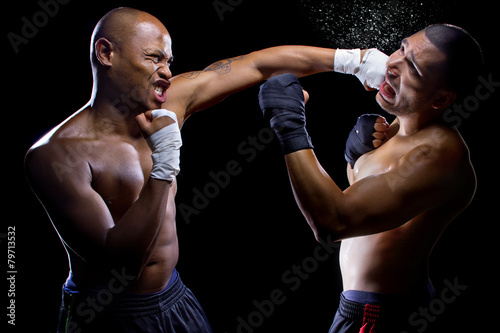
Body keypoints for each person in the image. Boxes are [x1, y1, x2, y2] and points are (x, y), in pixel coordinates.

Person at [24, 7, 387, 333]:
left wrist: (353, 60)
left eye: (168, 60)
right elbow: (121, 266)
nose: (166, 72)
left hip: (174, 296)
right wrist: (164, 162)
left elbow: (257, 64)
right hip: (109, 315)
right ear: (106, 53)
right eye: (154, 59)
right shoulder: (56, 156)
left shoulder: (171, 101)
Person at [258, 24, 482, 333]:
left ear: (441, 100)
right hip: (364, 305)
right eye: (401, 49)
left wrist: (289, 124)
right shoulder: (393, 129)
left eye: (412, 69)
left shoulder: (438, 155)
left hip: (382, 314)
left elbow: (334, 222)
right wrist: (355, 159)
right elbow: (364, 198)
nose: (393, 65)